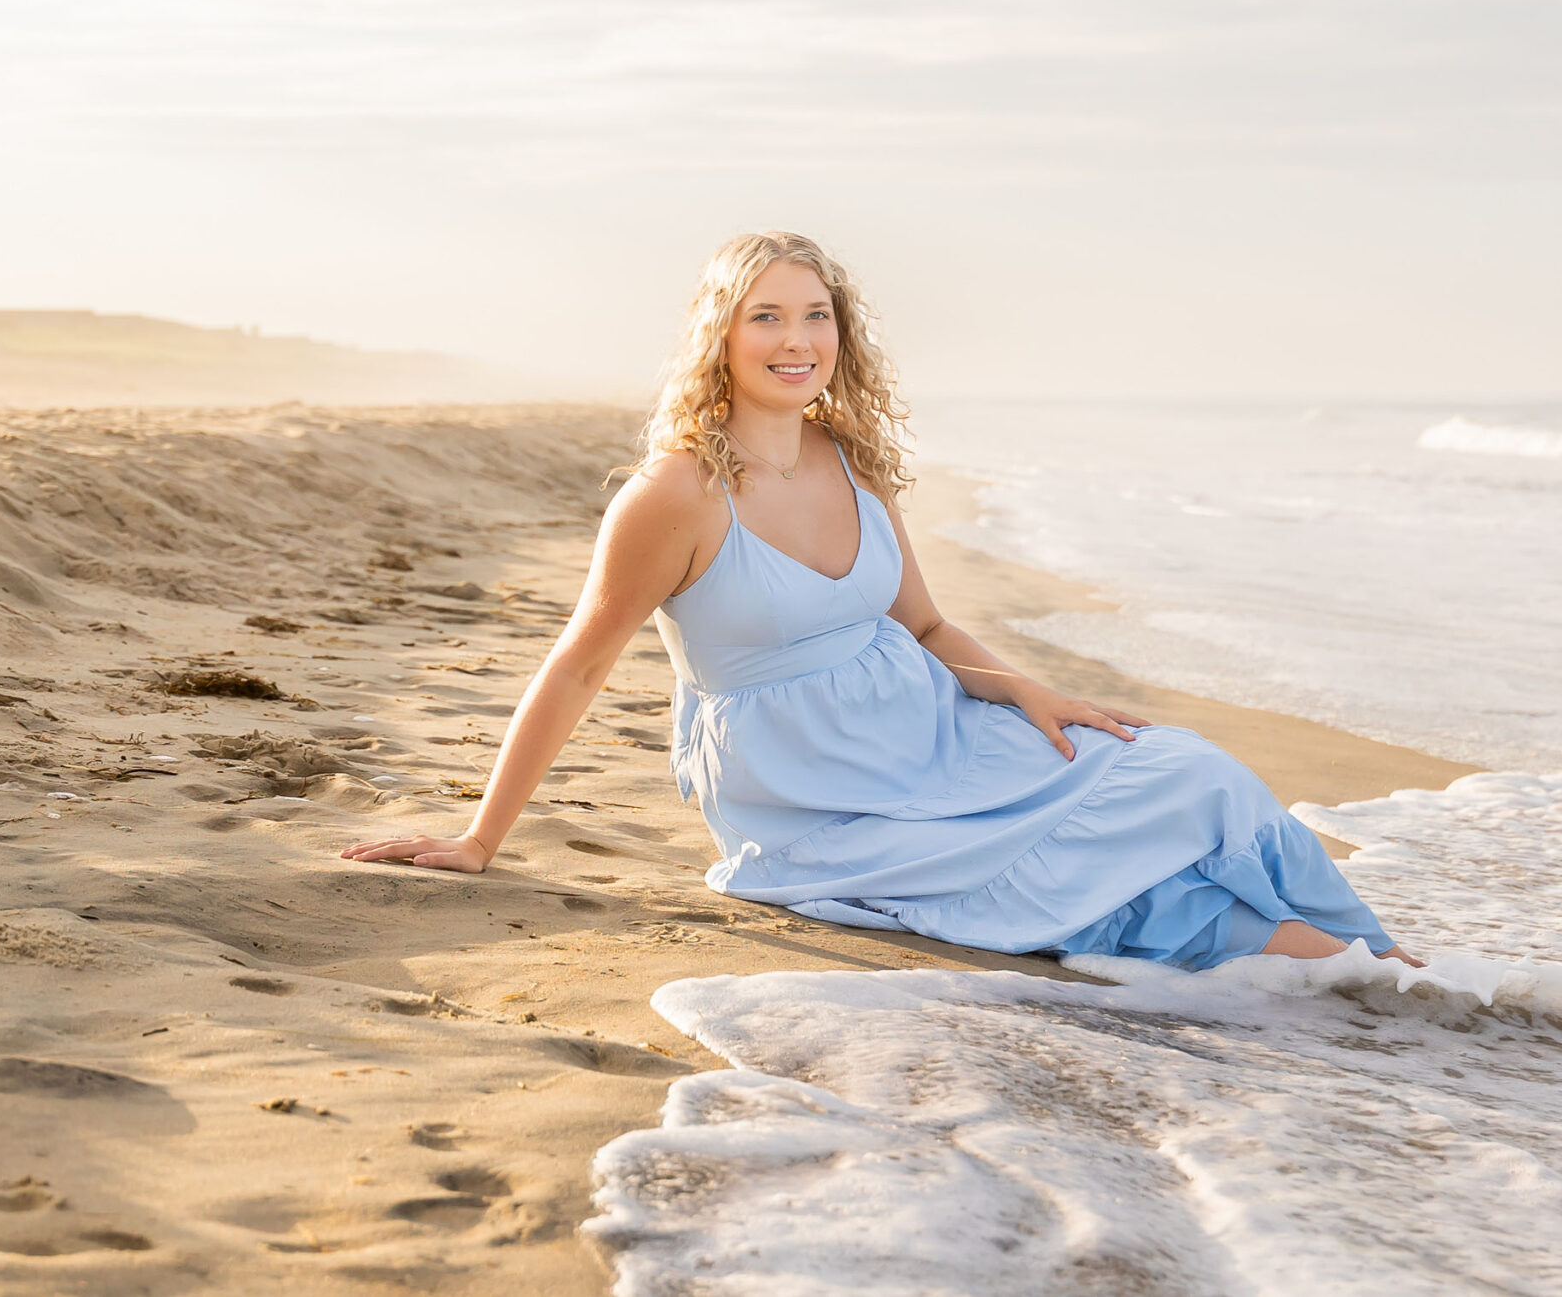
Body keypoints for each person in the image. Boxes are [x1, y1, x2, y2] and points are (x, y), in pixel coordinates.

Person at [342, 232, 1415, 971]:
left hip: (931, 731)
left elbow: (926, 626)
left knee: (1192, 773)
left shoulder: (850, 463)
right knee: (1118, 894)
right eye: (765, 316)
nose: (795, 338)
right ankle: (1377, 986)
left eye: (816, 315)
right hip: (819, 796)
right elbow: (576, 665)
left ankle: (1388, 960)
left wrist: (1033, 696)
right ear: (719, 335)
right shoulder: (672, 494)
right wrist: (481, 839)